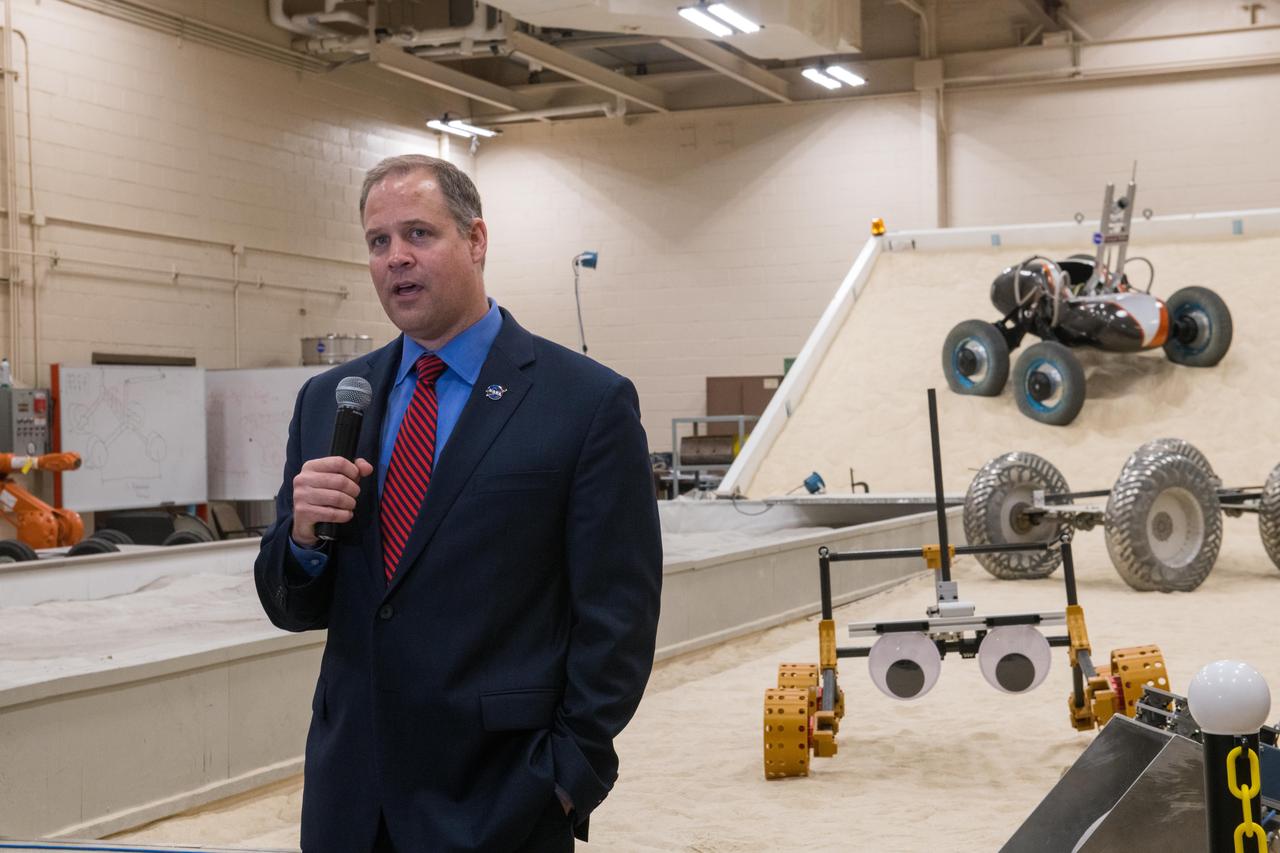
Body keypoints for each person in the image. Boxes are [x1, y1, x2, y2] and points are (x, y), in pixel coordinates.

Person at [254, 154, 663, 853]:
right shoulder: (330, 398)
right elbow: (292, 606)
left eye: (419, 233)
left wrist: (568, 774)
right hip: (351, 801)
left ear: (476, 240)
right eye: (378, 242)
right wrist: (302, 538)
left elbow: (618, 614)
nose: (397, 259)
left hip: (504, 797)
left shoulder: (584, 402)